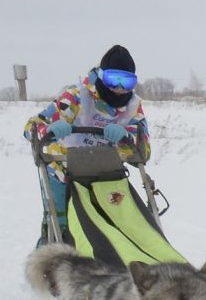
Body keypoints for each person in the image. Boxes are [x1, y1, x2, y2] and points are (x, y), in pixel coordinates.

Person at [24, 45, 153, 246]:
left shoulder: (132, 108)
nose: (119, 87)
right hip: (63, 171)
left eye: (126, 81)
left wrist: (127, 137)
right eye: (113, 79)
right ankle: (48, 262)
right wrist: (49, 131)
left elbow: (143, 152)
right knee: (61, 227)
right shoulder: (77, 96)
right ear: (101, 76)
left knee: (115, 228)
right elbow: (32, 127)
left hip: (106, 175)